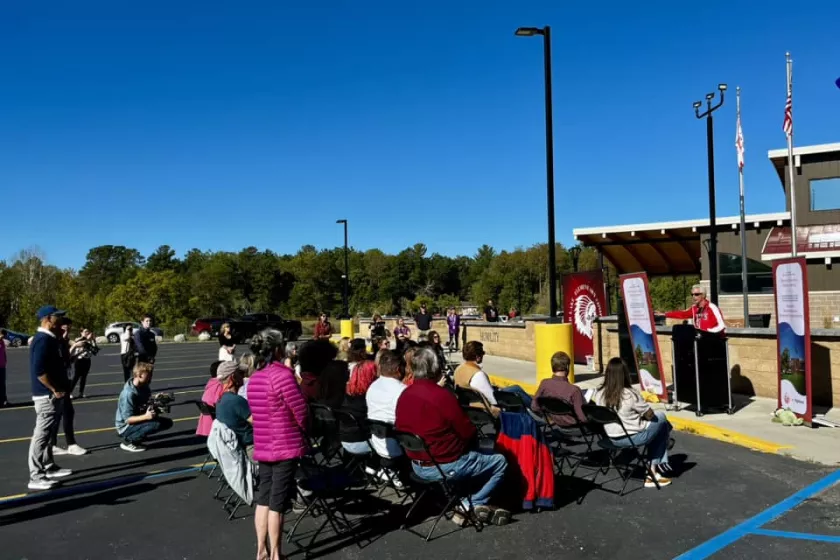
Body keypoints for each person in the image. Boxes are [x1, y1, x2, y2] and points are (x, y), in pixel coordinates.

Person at [395, 347, 511, 525]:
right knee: (499, 461)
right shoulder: (441, 396)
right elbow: (467, 431)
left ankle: (465, 498)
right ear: (435, 369)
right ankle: (471, 503)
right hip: (444, 464)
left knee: (472, 454)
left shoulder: (404, 394)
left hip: (416, 464)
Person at [247, 329, 309, 560]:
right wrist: (306, 430)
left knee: (264, 497)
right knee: (278, 502)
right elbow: (300, 410)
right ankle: (275, 553)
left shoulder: (255, 378)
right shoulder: (283, 376)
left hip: (264, 443)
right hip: (285, 443)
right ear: (277, 349)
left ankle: (261, 550)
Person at [593, 358, 674, 488]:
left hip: (611, 438)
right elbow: (650, 415)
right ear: (625, 374)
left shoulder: (599, 393)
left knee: (659, 428)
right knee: (661, 418)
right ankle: (652, 473)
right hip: (633, 437)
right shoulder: (630, 394)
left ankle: (664, 442)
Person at [28, 305, 73, 491]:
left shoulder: (51, 339)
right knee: (41, 435)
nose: (62, 319)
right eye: (58, 317)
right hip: (46, 396)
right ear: (48, 319)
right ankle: (36, 475)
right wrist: (54, 389)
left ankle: (48, 465)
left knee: (48, 434)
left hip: (53, 394)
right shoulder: (42, 340)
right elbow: (39, 370)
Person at [454, 341, 532, 411]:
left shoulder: (458, 369)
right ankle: (536, 411)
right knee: (516, 394)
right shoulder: (478, 375)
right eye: (482, 353)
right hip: (486, 409)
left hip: (469, 407)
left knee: (515, 388)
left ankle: (535, 409)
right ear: (478, 357)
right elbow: (493, 399)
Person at [115, 362, 173, 452]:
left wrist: (156, 400)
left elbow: (146, 402)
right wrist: (146, 416)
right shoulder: (128, 394)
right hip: (125, 427)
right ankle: (129, 441)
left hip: (138, 416)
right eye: (149, 375)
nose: (150, 377)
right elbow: (128, 419)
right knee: (156, 424)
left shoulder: (144, 386)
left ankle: (137, 434)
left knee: (167, 423)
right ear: (139, 375)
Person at [52, 318, 87, 457]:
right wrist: (74, 347)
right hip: (58, 383)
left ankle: (56, 443)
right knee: (61, 413)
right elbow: (60, 360)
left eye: (69, 329)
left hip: (64, 379)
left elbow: (67, 360)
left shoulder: (63, 341)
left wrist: (76, 353)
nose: (67, 331)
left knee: (65, 413)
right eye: (65, 328)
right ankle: (69, 444)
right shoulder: (55, 341)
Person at [366, 350, 406, 458]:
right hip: (398, 446)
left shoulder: (372, 386)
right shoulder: (402, 390)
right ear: (398, 370)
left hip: (377, 443)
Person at [531, 351, 587, 426]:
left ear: (552, 367)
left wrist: (548, 416)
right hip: (572, 426)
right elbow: (582, 418)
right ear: (567, 367)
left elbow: (534, 407)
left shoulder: (544, 383)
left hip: (553, 422)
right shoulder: (574, 390)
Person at [214, 361, 253, 456]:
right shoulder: (236, 401)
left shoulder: (221, 400)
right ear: (233, 377)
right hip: (249, 447)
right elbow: (260, 423)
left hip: (231, 448)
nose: (244, 376)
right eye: (241, 373)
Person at [196, 361, 224, 437]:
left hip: (206, 423)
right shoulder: (219, 386)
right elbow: (220, 403)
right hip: (216, 424)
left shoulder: (210, 384)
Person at [70, 327, 99, 399]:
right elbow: (79, 343)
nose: (87, 333)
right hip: (79, 360)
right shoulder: (78, 339)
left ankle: (81, 392)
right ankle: (69, 392)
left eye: (88, 331)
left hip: (87, 360)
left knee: (84, 377)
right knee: (76, 377)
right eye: (85, 331)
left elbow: (95, 350)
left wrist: (93, 340)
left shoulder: (90, 340)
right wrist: (87, 338)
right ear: (81, 333)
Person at [0, 328, 8, 407]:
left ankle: (4, 400)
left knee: (2, 384)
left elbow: (3, 351)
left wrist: (5, 360)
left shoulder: (2, 342)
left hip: (2, 366)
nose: (3, 337)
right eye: (3, 336)